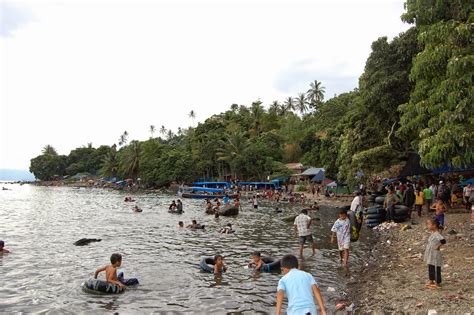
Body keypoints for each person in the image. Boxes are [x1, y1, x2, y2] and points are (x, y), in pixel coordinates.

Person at [424, 218, 446, 289]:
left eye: (428, 224)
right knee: (430, 266)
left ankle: (438, 282)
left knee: (436, 267)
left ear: (434, 225)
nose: (427, 226)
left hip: (435, 253)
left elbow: (443, 241)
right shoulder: (433, 233)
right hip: (431, 253)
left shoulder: (437, 234)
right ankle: (431, 280)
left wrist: (438, 246)